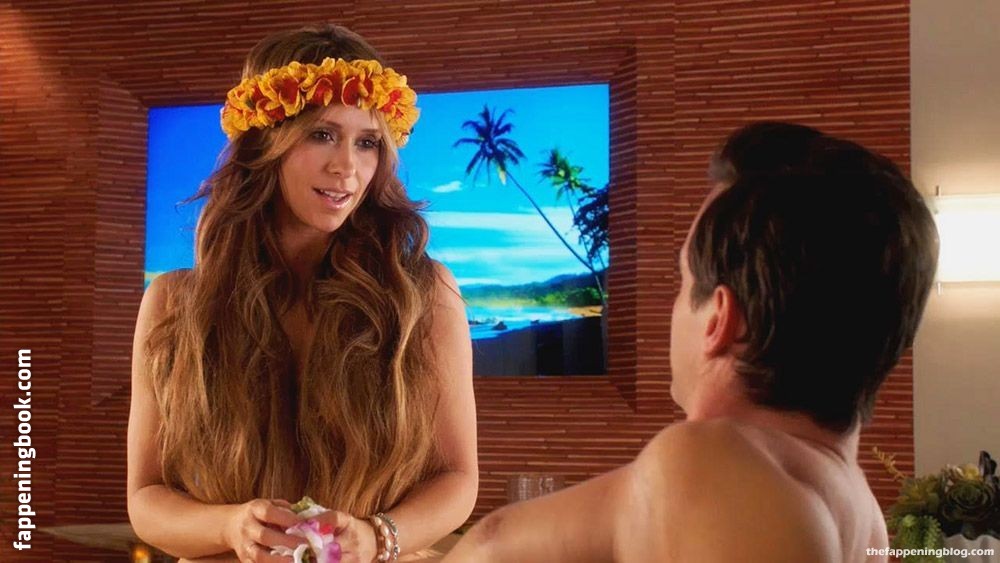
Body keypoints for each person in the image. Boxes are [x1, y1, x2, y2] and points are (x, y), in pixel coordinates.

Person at [442, 122, 939, 563]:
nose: (674, 305)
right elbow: (497, 538)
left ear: (720, 320)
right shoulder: (861, 514)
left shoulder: (715, 463)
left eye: (682, 282)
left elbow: (495, 542)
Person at [126, 24, 479, 563]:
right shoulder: (175, 303)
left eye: (367, 142)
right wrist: (230, 526)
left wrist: (376, 537)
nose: (347, 167)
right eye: (321, 135)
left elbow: (457, 478)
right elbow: (146, 497)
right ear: (264, 143)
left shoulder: (422, 295)